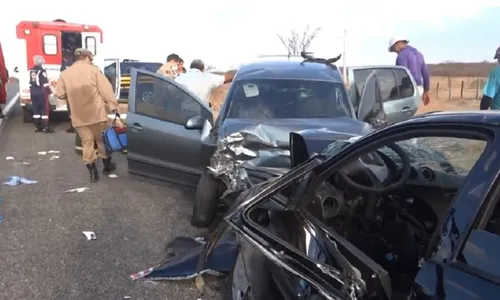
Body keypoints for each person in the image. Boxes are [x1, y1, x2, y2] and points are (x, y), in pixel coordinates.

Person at [55, 48, 120, 183]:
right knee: (100, 140)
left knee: (87, 143)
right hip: (96, 113)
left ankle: (92, 172)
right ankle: (107, 166)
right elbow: (106, 90)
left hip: (78, 115)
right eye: (91, 57)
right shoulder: (94, 70)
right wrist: (113, 105)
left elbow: (60, 94)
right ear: (86, 57)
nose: (91, 60)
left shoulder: (65, 73)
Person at [389, 37, 431, 107]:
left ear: (398, 43)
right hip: (419, 89)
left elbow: (401, 76)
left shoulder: (401, 56)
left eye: (394, 48)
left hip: (408, 90)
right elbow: (426, 73)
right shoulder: (418, 54)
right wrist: (426, 91)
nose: (395, 52)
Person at [29, 55, 53, 133]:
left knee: (36, 110)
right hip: (41, 92)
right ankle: (45, 127)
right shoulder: (42, 71)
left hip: (33, 92)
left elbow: (31, 82)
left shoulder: (32, 70)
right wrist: (49, 91)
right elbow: (45, 83)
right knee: (44, 110)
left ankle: (37, 127)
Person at [60, 52, 75, 132]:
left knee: (70, 109)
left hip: (69, 90)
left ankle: (72, 126)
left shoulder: (63, 66)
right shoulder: (75, 65)